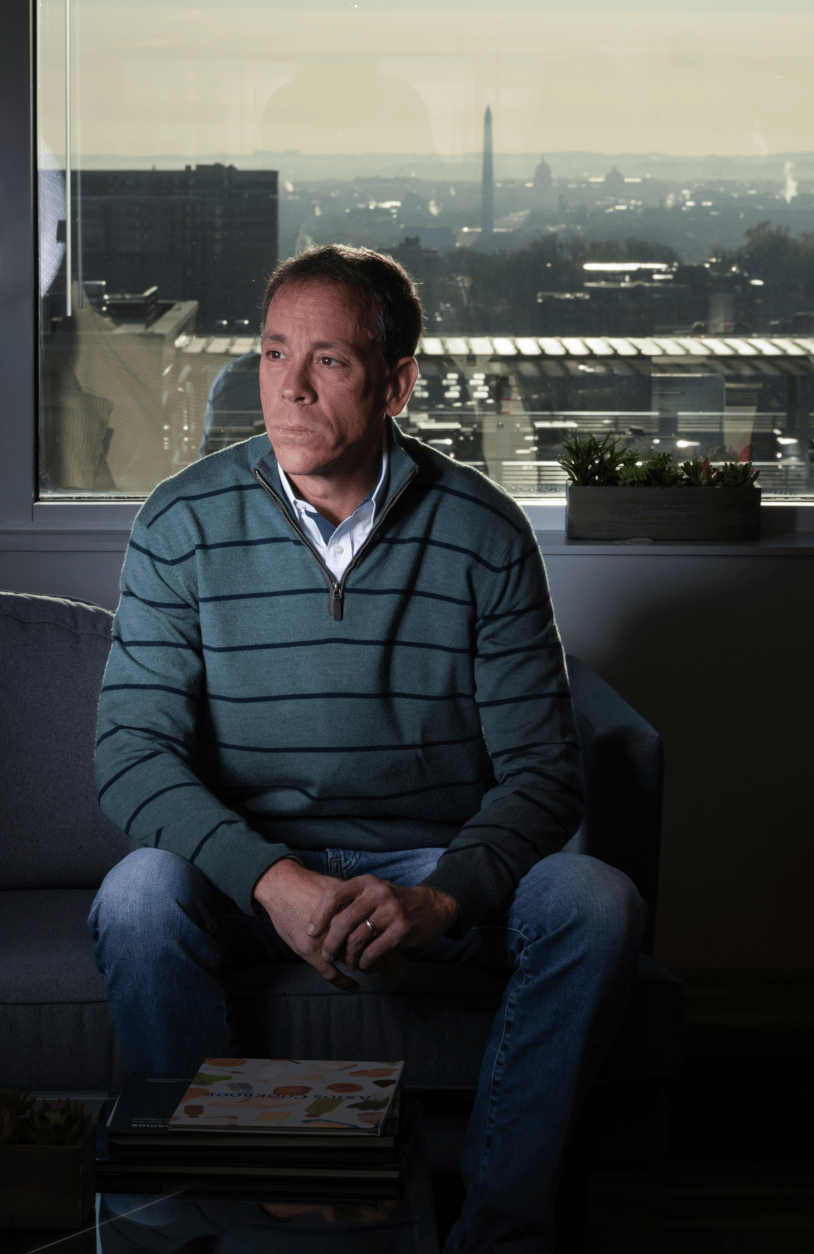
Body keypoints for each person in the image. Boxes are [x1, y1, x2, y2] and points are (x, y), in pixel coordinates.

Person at [90, 243, 647, 1254]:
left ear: (396, 383)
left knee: (594, 902)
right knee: (135, 896)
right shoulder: (180, 524)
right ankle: (229, 1222)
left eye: (330, 362)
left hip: (430, 867)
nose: (289, 389)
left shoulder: (483, 532)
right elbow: (131, 752)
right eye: (270, 354)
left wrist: (440, 897)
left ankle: (496, 1233)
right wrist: (273, 880)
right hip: (253, 876)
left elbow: (540, 772)